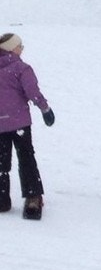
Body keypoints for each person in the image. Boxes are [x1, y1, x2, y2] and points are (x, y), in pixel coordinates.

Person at [0, 33, 55, 220]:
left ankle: (2, 198)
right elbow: (33, 91)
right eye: (19, 46)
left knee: (1, 162)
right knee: (26, 158)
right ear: (11, 48)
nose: (22, 49)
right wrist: (45, 109)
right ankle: (33, 197)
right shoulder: (21, 68)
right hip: (19, 122)